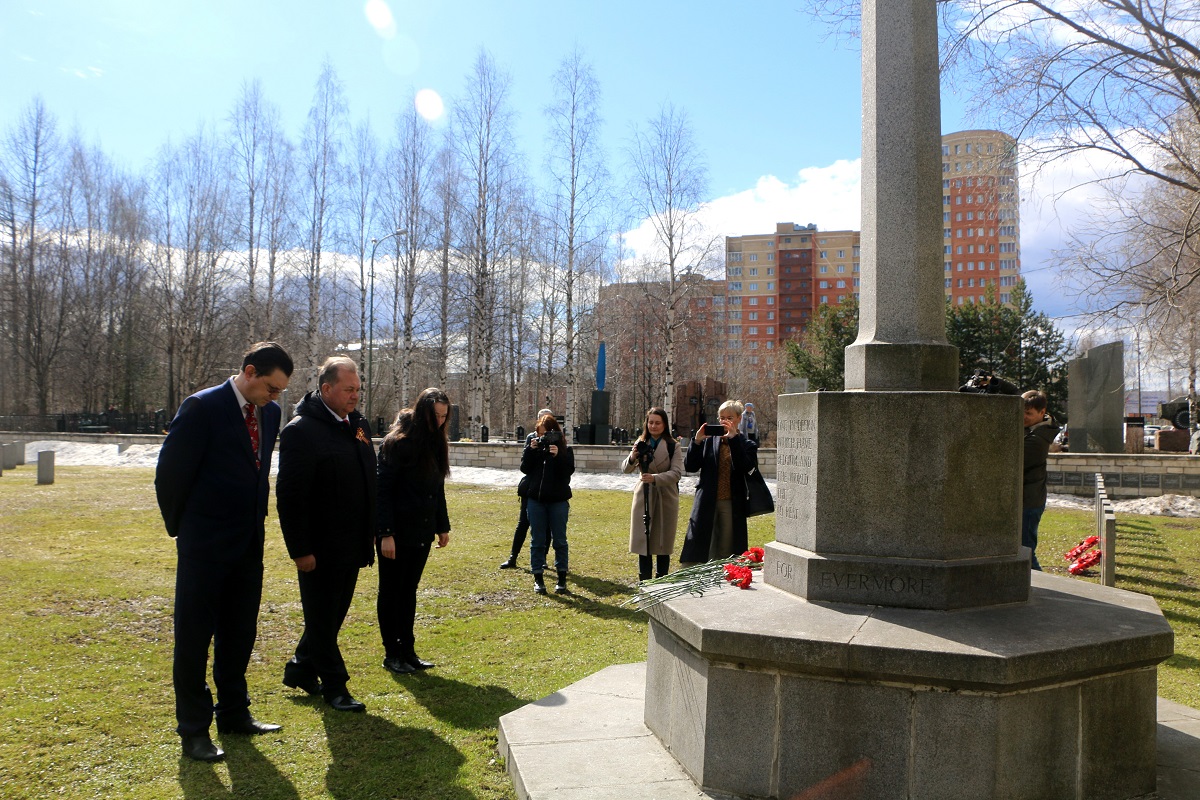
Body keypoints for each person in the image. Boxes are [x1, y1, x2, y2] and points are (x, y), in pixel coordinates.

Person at [155, 342, 293, 763]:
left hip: (248, 546)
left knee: (239, 634)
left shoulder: (270, 413)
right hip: (204, 547)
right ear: (249, 372)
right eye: (271, 387)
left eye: (280, 390)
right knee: (194, 640)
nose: (275, 396)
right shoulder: (202, 408)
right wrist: (184, 531)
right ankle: (194, 730)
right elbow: (170, 476)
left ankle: (234, 713)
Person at [275, 357, 376, 713]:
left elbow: (368, 478)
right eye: (349, 390)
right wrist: (300, 549)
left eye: (358, 390)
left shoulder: (357, 425)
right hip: (319, 547)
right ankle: (336, 687)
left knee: (331, 616)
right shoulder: (301, 431)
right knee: (321, 618)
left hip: (352, 542)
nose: (355, 396)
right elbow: (290, 497)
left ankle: (301, 668)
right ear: (326, 388)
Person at [376, 389, 452, 675]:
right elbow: (382, 490)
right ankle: (392, 653)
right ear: (423, 413)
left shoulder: (435, 442)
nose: (440, 421)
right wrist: (385, 533)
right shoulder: (397, 443)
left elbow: (437, 488)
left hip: (421, 529)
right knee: (391, 591)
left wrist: (442, 525)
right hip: (396, 532)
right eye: (436, 416)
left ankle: (407, 650)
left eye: (444, 416)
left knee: (408, 591)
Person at [680, 399, 759, 565]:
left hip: (731, 503)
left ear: (739, 418)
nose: (725, 421)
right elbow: (690, 466)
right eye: (722, 418)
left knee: (726, 547)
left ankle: (724, 575)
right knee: (703, 545)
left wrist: (733, 440)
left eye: (729, 418)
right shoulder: (709, 441)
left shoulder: (747, 444)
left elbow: (746, 467)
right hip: (707, 500)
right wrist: (697, 441)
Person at [623, 407, 684, 581]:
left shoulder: (673, 446)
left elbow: (676, 473)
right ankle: (645, 580)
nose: (653, 426)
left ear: (664, 425)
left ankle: (661, 579)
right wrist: (633, 457)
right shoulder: (641, 442)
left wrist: (655, 478)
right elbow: (625, 469)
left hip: (666, 496)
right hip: (644, 495)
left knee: (663, 541)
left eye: (658, 423)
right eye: (650, 422)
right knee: (644, 541)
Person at [519, 412, 575, 594]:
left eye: (546, 434)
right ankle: (538, 579)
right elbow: (524, 469)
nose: (542, 437)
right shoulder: (534, 448)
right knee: (537, 540)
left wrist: (558, 456)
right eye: (539, 434)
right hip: (536, 500)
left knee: (560, 540)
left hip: (558, 501)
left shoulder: (566, 450)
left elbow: (567, 474)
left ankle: (561, 579)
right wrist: (530, 450)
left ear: (554, 433)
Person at [499, 407, 553, 570]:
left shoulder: (556, 438)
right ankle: (513, 557)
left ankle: (542, 558)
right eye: (542, 420)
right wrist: (532, 449)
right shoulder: (531, 438)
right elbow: (525, 466)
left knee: (547, 526)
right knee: (523, 523)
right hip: (530, 487)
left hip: (547, 487)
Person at [1022, 390, 1060, 571]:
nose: (1023, 417)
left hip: (1029, 502)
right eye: (1021, 412)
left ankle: (1042, 584)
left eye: (1028, 413)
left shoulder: (1037, 439)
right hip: (1027, 499)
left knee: (1026, 551)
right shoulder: (1033, 430)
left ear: (1042, 412)